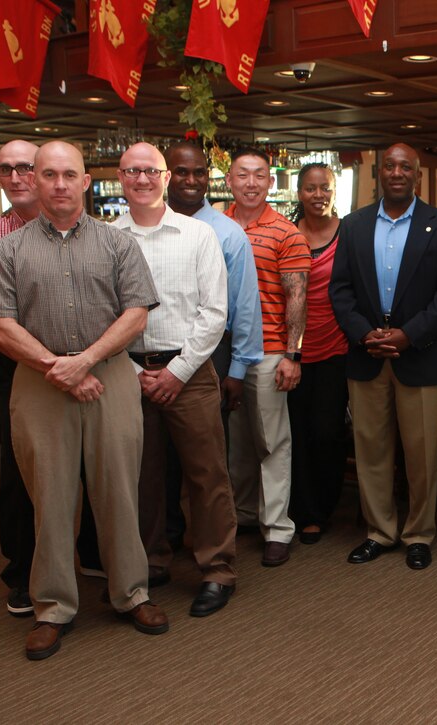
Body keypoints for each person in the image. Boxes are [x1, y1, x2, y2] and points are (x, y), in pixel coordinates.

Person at [0, 141, 168, 660]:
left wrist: (83, 362)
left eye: (70, 175)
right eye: (49, 175)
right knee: (51, 499)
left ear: (86, 182)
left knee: (119, 492)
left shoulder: (117, 244)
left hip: (109, 378)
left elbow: (136, 313)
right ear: (33, 182)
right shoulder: (6, 251)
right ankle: (53, 607)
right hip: (38, 385)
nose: (59, 184)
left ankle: (131, 593)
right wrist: (55, 368)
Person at [0, 140, 102, 615]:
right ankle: (24, 572)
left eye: (27, 167)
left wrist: (81, 362)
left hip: (92, 364)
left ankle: (92, 555)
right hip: (21, 366)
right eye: (7, 169)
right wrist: (56, 366)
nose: (18, 176)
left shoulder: (97, 234)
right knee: (26, 476)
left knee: (96, 468)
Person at [114, 142, 238, 618]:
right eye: (131, 171)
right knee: (140, 476)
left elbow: (215, 313)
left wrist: (176, 371)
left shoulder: (197, 235)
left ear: (165, 177)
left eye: (150, 171)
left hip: (191, 371)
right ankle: (150, 561)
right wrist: (133, 372)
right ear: (120, 179)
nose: (141, 179)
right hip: (127, 371)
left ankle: (218, 569)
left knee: (207, 475)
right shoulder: (107, 238)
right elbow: (104, 317)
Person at [330, 142, 437, 570]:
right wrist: (365, 334)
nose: (396, 172)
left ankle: (418, 533)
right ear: (379, 174)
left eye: (405, 167)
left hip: (420, 356)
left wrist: (408, 335)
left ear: (418, 176)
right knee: (370, 449)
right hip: (367, 355)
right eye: (389, 165)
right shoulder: (353, 226)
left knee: (421, 453)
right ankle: (379, 531)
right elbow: (341, 291)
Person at [162, 141, 263, 551]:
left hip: (212, 355)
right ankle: (166, 539)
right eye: (181, 172)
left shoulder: (227, 233)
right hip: (154, 357)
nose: (191, 180)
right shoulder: (141, 227)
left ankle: (208, 545)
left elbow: (244, 307)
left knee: (207, 462)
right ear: (166, 175)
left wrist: (237, 371)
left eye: (199, 172)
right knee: (159, 461)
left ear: (209, 177)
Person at [224, 147, 310, 567]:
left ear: (271, 183)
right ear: (229, 181)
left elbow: (297, 295)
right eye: (243, 175)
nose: (252, 183)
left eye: (260, 175)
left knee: (271, 442)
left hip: (271, 351)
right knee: (234, 442)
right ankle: (242, 516)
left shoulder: (285, 232)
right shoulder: (213, 225)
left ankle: (277, 527)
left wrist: (292, 355)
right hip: (223, 353)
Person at [287, 162, 349, 545]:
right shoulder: (287, 234)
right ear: (299, 193)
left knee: (327, 432)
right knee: (295, 434)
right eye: (310, 188)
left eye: (324, 188)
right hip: (291, 350)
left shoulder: (350, 234)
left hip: (337, 347)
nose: (318, 195)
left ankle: (326, 504)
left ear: (333, 191)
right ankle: (304, 510)